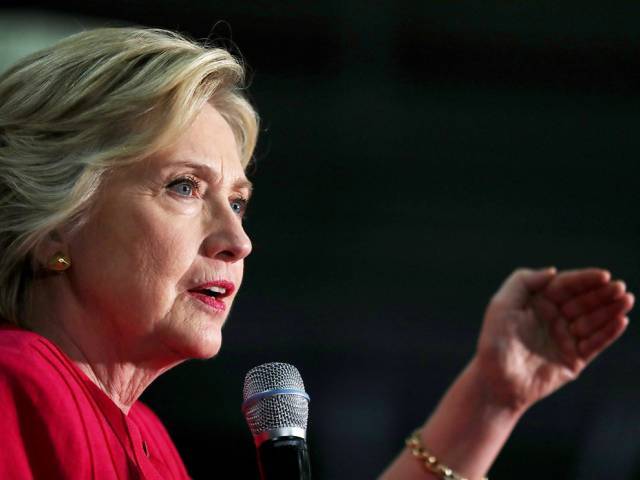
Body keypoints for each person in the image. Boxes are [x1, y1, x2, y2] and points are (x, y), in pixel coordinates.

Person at [0, 27, 633, 480]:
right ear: (59, 223)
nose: (238, 240)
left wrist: (492, 398)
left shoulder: (147, 439)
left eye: (239, 201)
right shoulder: (18, 384)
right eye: (184, 187)